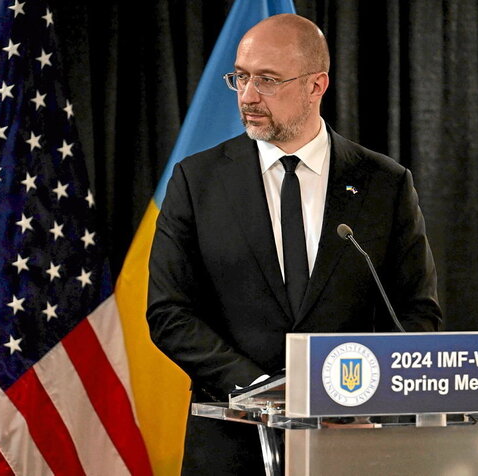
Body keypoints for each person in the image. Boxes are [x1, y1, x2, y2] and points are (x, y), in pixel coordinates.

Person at [146, 13, 441, 475]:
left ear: (316, 85)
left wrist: (356, 394)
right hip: (231, 442)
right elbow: (169, 312)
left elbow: (417, 313)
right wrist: (260, 389)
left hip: (348, 442)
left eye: (267, 80)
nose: (247, 96)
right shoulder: (196, 181)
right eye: (241, 78)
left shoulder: (385, 184)